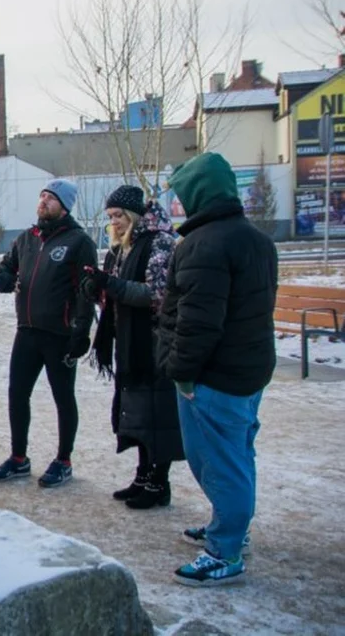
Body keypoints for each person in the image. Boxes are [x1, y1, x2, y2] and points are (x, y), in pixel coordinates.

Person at [156, 152, 278, 587]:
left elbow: (197, 321)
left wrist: (182, 371)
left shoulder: (203, 245)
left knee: (218, 461)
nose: (179, 204)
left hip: (212, 376)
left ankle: (225, 550)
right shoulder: (256, 239)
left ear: (198, 194)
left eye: (183, 195)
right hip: (248, 369)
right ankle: (231, 526)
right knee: (238, 454)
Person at [0, 178, 97, 488]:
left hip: (60, 334)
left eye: (50, 198)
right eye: (42, 196)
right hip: (27, 332)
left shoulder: (79, 242)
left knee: (63, 397)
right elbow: (3, 270)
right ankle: (19, 458)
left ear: (64, 206)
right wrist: (4, 280)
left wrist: (81, 332)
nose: (43, 201)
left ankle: (64, 460)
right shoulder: (26, 239)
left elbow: (86, 293)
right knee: (17, 393)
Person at [80, 186, 184, 510]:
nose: (115, 222)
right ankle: (142, 474)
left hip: (155, 342)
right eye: (110, 217)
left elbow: (156, 294)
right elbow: (114, 291)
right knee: (138, 413)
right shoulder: (123, 247)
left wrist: (110, 284)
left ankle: (159, 482)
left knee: (158, 414)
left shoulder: (160, 242)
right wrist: (95, 287)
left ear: (134, 215)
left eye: (119, 216)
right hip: (129, 339)